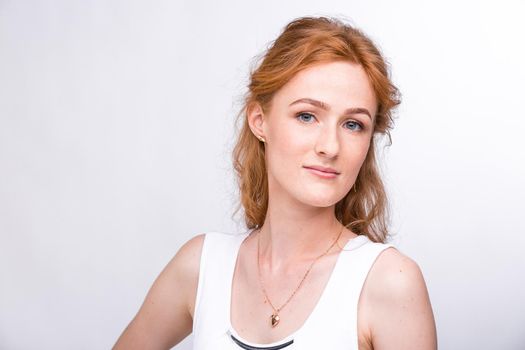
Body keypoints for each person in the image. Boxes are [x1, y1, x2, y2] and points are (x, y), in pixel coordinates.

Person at [114, 16, 437, 349]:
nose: (330, 146)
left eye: (353, 124)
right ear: (260, 121)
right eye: (307, 116)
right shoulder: (202, 266)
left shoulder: (388, 282)